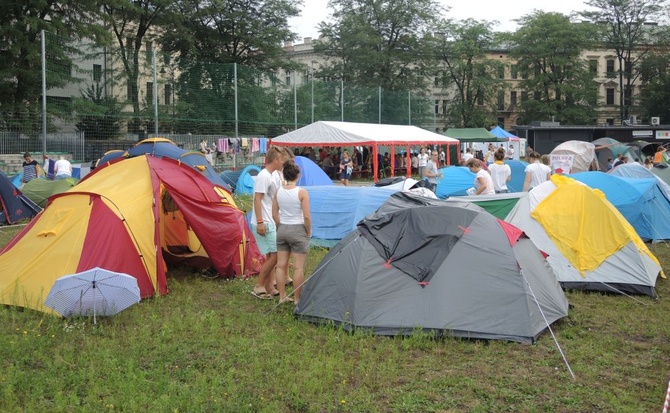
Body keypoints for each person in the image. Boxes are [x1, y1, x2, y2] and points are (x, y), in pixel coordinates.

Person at [272, 160, 311, 305]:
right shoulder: (302, 192)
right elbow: (306, 216)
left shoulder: (278, 191)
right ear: (298, 175)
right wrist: (308, 231)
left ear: (284, 175)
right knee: (298, 267)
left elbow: (274, 213)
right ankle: (296, 299)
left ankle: (282, 296)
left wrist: (279, 226)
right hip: (298, 229)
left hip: (282, 228)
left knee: (281, 265)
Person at [250, 146, 284, 300]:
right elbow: (257, 199)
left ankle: (270, 287)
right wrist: (260, 222)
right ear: (275, 160)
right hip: (264, 221)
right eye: (281, 159)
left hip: (269, 221)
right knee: (276, 256)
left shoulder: (271, 176)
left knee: (271, 255)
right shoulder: (263, 176)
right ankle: (259, 286)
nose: (282, 162)